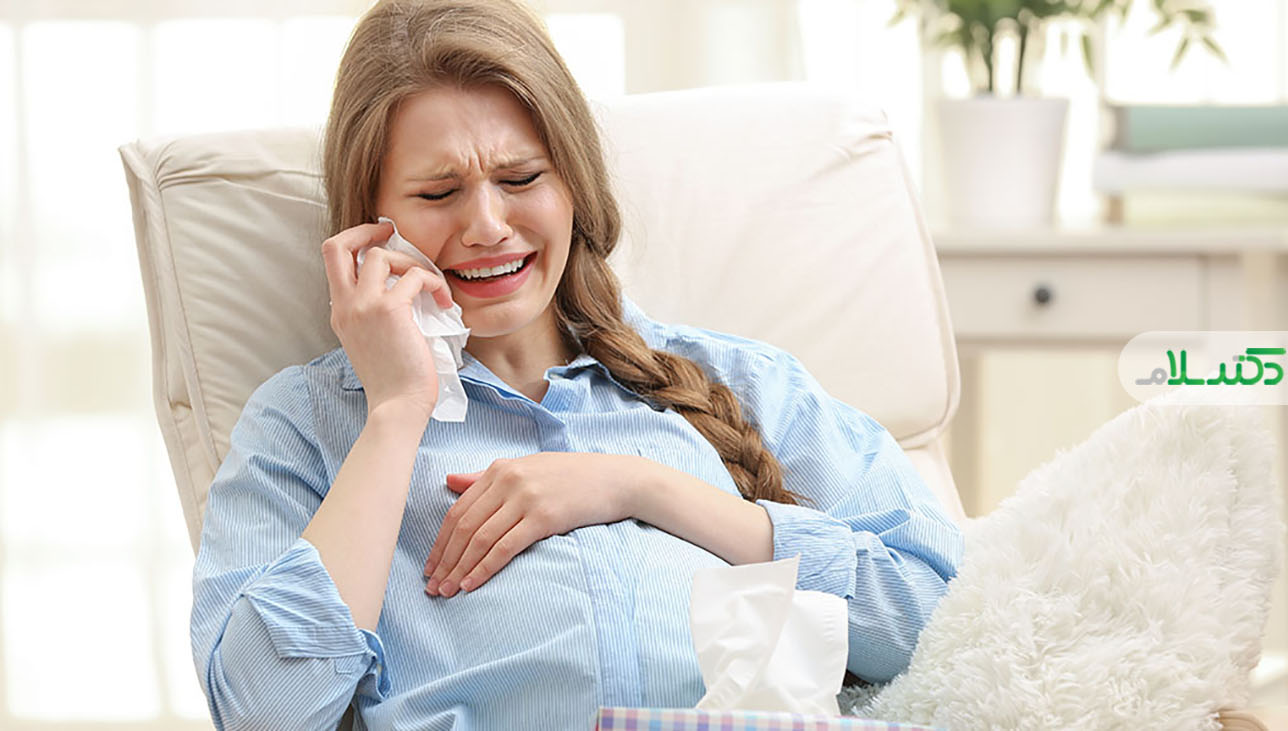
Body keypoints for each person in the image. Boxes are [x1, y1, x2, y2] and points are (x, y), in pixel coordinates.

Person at [189, 0, 964, 728]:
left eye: (521, 178)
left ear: (573, 185)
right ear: (370, 219)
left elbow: (943, 611)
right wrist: (394, 412)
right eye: (438, 191)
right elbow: (266, 711)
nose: (488, 225)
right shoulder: (307, 422)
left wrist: (640, 486)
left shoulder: (745, 382)